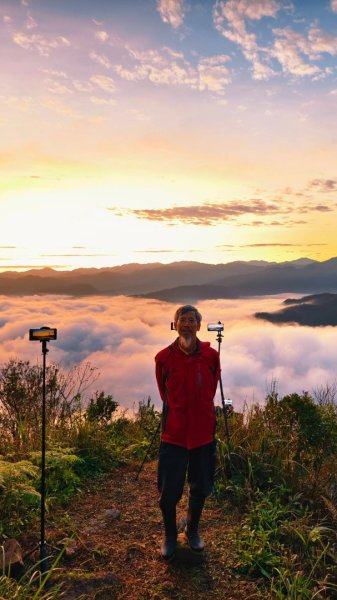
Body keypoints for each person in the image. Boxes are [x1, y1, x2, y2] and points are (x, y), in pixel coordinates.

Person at [155, 304, 220, 560]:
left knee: (201, 486)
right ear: (175, 325)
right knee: (168, 491)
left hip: (203, 434)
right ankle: (170, 535)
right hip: (173, 434)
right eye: (182, 320)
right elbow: (164, 394)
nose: (187, 325)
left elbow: (210, 390)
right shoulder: (163, 358)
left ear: (198, 326)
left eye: (192, 320)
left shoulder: (211, 356)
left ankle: (192, 531)